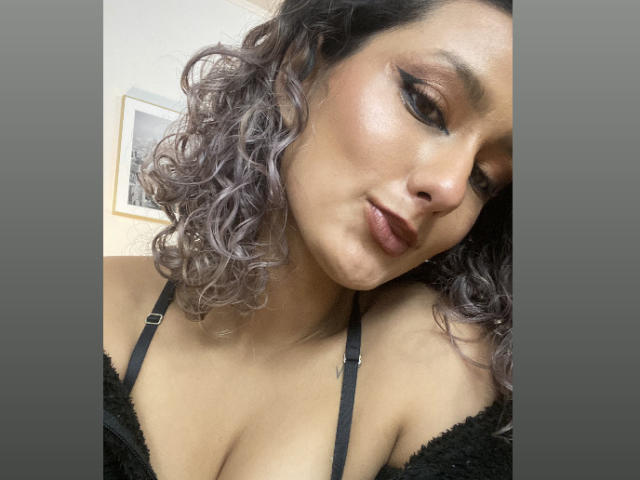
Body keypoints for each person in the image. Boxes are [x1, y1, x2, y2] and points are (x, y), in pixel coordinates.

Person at [103, 0, 513, 478]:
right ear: (300, 67)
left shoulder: (447, 366)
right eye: (426, 105)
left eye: (484, 179)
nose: (449, 187)